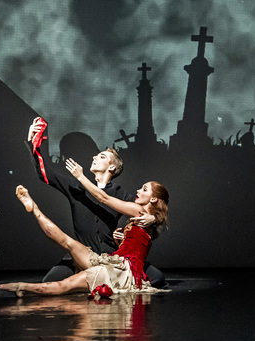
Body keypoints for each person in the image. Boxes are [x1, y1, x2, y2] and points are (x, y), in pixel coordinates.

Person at [25, 117, 165, 286]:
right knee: (49, 281)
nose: (95, 157)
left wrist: (154, 219)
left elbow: (147, 207)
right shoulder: (76, 186)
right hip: (79, 255)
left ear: (111, 167)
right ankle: (95, 281)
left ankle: (99, 282)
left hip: (112, 257)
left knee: (157, 278)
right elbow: (44, 174)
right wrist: (33, 143)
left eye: (102, 156)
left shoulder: (120, 194)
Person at [0, 166, 169, 297]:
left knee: (67, 283)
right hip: (114, 262)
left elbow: (104, 198)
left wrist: (80, 176)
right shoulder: (142, 217)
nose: (138, 191)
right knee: (68, 242)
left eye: (144, 189)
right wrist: (120, 240)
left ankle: (23, 286)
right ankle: (34, 208)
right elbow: (134, 247)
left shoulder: (140, 212)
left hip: (121, 271)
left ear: (153, 199)